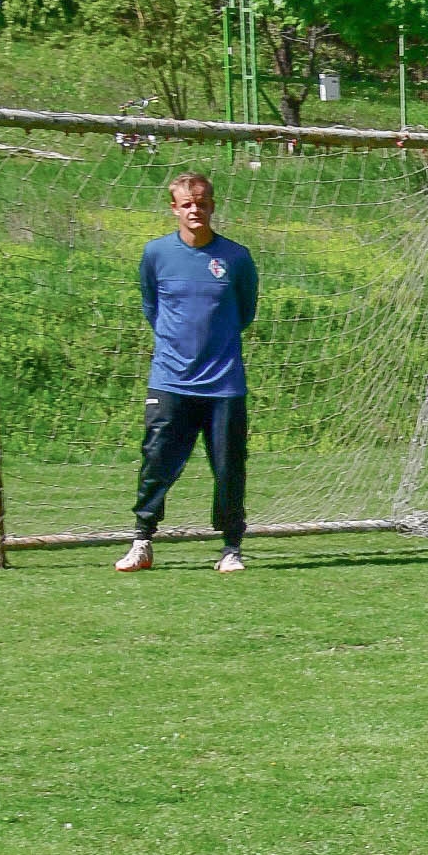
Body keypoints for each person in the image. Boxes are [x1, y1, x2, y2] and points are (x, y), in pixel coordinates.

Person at [119, 172, 259, 574]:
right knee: (156, 460)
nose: (195, 210)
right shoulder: (156, 254)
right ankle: (142, 541)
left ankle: (231, 548)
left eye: (201, 203)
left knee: (229, 467)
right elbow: (152, 307)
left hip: (224, 385)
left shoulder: (236, 257)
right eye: (187, 204)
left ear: (212, 205)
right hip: (170, 381)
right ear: (174, 208)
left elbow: (245, 312)